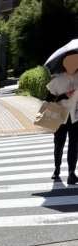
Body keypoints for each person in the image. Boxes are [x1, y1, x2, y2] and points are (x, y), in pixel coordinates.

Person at [46, 52, 78, 185]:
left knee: (74, 145)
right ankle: (57, 168)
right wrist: (62, 97)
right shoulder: (57, 81)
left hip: (76, 117)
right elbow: (47, 100)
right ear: (64, 64)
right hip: (60, 118)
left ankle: (71, 172)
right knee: (59, 144)